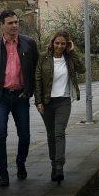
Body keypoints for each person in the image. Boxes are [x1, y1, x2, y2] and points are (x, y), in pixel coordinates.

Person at [0, 9, 39, 187]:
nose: (14, 25)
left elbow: (36, 72)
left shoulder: (29, 44)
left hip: (21, 96)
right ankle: (3, 173)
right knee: (0, 134)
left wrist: (36, 96)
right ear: (2, 25)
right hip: (0, 97)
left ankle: (21, 162)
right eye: (10, 23)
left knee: (25, 136)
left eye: (16, 22)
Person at [35, 31, 84, 184]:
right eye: (57, 43)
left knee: (59, 133)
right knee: (51, 135)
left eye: (63, 43)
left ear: (66, 44)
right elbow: (37, 79)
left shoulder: (69, 58)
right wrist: (38, 101)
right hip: (47, 101)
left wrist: (73, 50)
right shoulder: (43, 57)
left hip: (64, 100)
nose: (60, 46)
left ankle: (59, 167)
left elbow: (82, 69)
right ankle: (53, 165)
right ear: (52, 43)